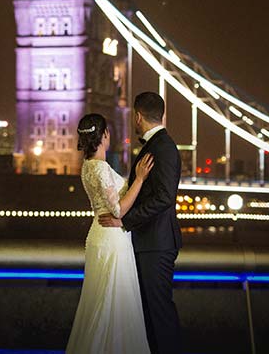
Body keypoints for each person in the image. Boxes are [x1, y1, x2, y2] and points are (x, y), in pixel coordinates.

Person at [98, 92, 183, 354]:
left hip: (156, 245)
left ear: (137, 116)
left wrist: (124, 220)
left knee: (158, 313)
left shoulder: (163, 148)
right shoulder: (156, 145)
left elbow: (165, 198)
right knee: (148, 312)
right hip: (149, 243)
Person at [65, 112, 154, 353]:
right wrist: (140, 180)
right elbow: (117, 210)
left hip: (98, 235)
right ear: (105, 135)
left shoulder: (86, 167)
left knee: (100, 300)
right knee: (112, 304)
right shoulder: (101, 168)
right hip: (112, 238)